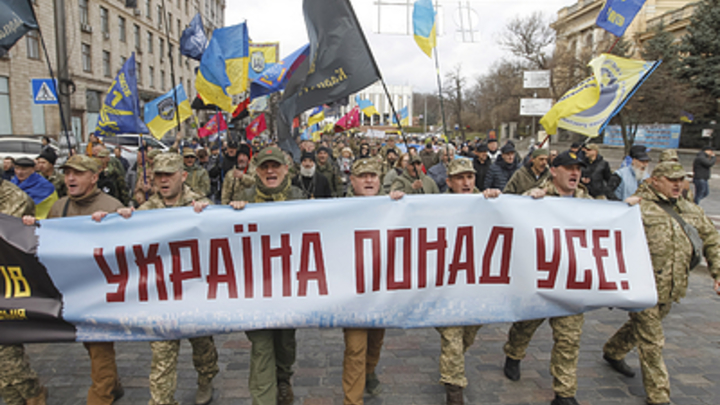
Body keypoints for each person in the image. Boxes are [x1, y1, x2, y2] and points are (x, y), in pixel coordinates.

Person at [602, 161, 720, 405]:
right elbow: (606, 229)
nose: (678, 184)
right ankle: (659, 396)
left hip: (671, 287)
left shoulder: (689, 209)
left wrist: (718, 273)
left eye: (680, 179)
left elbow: (712, 240)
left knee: (641, 330)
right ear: (655, 181)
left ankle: (613, 350)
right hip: (641, 286)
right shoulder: (638, 207)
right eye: (671, 180)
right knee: (652, 341)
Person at [113, 153, 220, 405]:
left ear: (182, 176)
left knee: (203, 347)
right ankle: (161, 400)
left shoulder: (200, 205)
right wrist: (116, 220)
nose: (163, 180)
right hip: (162, 295)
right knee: (161, 357)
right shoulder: (146, 210)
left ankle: (205, 380)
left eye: (169, 175)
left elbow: (221, 238)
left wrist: (210, 215)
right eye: (158, 175)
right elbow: (126, 239)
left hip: (195, 292)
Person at [23, 154, 125, 405]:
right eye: (68, 173)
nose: (70, 178)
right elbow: (49, 242)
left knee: (98, 342)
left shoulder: (111, 206)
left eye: (77, 173)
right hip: (72, 289)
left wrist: (117, 221)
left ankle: (100, 396)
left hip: (100, 291)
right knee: (89, 343)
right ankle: (112, 384)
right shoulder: (60, 207)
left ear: (94, 177)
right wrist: (30, 227)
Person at [502, 151, 590, 405]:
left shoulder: (588, 200)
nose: (575, 173)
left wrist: (628, 206)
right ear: (554, 171)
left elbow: (607, 222)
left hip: (571, 281)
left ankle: (564, 394)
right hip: (539, 279)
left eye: (578, 169)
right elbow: (512, 218)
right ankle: (513, 353)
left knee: (569, 339)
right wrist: (528, 200)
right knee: (525, 325)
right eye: (569, 168)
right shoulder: (536, 195)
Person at [228, 146, 305, 405]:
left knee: (285, 343)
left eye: (275, 166)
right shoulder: (245, 197)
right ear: (256, 171)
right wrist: (233, 212)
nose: (270, 171)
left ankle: (283, 379)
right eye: (264, 167)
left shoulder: (299, 197)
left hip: (288, 287)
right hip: (256, 289)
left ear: (285, 169)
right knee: (262, 347)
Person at [436, 158, 501, 405]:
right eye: (460, 178)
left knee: (468, 335)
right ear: (449, 181)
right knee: (452, 337)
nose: (466, 182)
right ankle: (454, 393)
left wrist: (498, 199)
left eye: (470, 177)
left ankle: (451, 363)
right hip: (447, 286)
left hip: (477, 285)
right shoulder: (435, 205)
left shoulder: (487, 201)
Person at [342, 158, 404, 405]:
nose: (369, 180)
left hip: (381, 288)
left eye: (373, 176)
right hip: (352, 291)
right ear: (352, 180)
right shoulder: (338, 207)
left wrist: (402, 204)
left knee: (376, 339)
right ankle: (353, 400)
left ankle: (369, 370)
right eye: (363, 175)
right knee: (355, 347)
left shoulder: (392, 204)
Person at [0, 167, 46, 405]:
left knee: (6, 352)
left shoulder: (14, 198)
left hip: (10, 282)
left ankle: (33, 393)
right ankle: (15, 399)